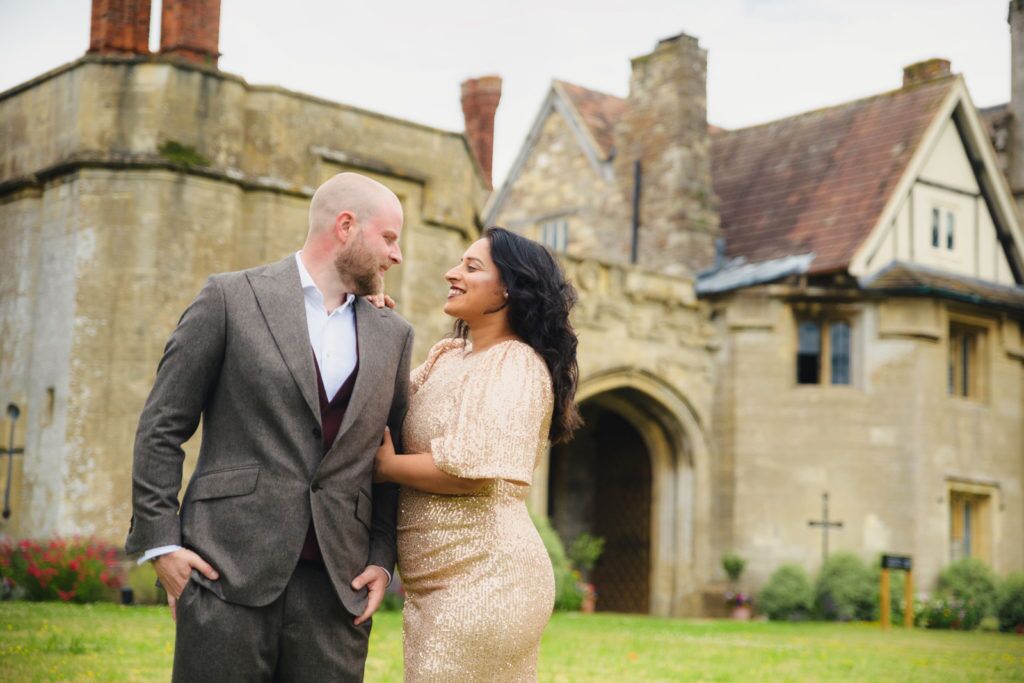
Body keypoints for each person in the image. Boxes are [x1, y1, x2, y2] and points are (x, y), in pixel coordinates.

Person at [125, 172, 413, 681]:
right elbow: (162, 426)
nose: (397, 255)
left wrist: (381, 557)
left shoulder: (394, 334)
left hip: (337, 591)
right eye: (389, 238)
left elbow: (389, 459)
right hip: (225, 572)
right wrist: (162, 545)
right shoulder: (230, 298)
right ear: (346, 226)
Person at [374, 226, 582, 682]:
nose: (452, 273)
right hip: (434, 583)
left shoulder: (516, 363)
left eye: (471, 267)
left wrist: (388, 467)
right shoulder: (447, 356)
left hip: (487, 580)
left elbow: (469, 470)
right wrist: (370, 326)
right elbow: (380, 405)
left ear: (509, 288)